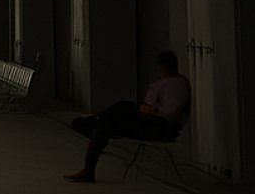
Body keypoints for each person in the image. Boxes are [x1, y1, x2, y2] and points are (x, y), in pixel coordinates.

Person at [64, 51, 191, 182]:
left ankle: (91, 122)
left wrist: (150, 111)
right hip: (171, 131)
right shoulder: (184, 83)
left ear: (162, 67)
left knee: (121, 110)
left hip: (156, 128)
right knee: (109, 122)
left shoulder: (159, 85)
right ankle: (94, 121)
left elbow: (151, 111)